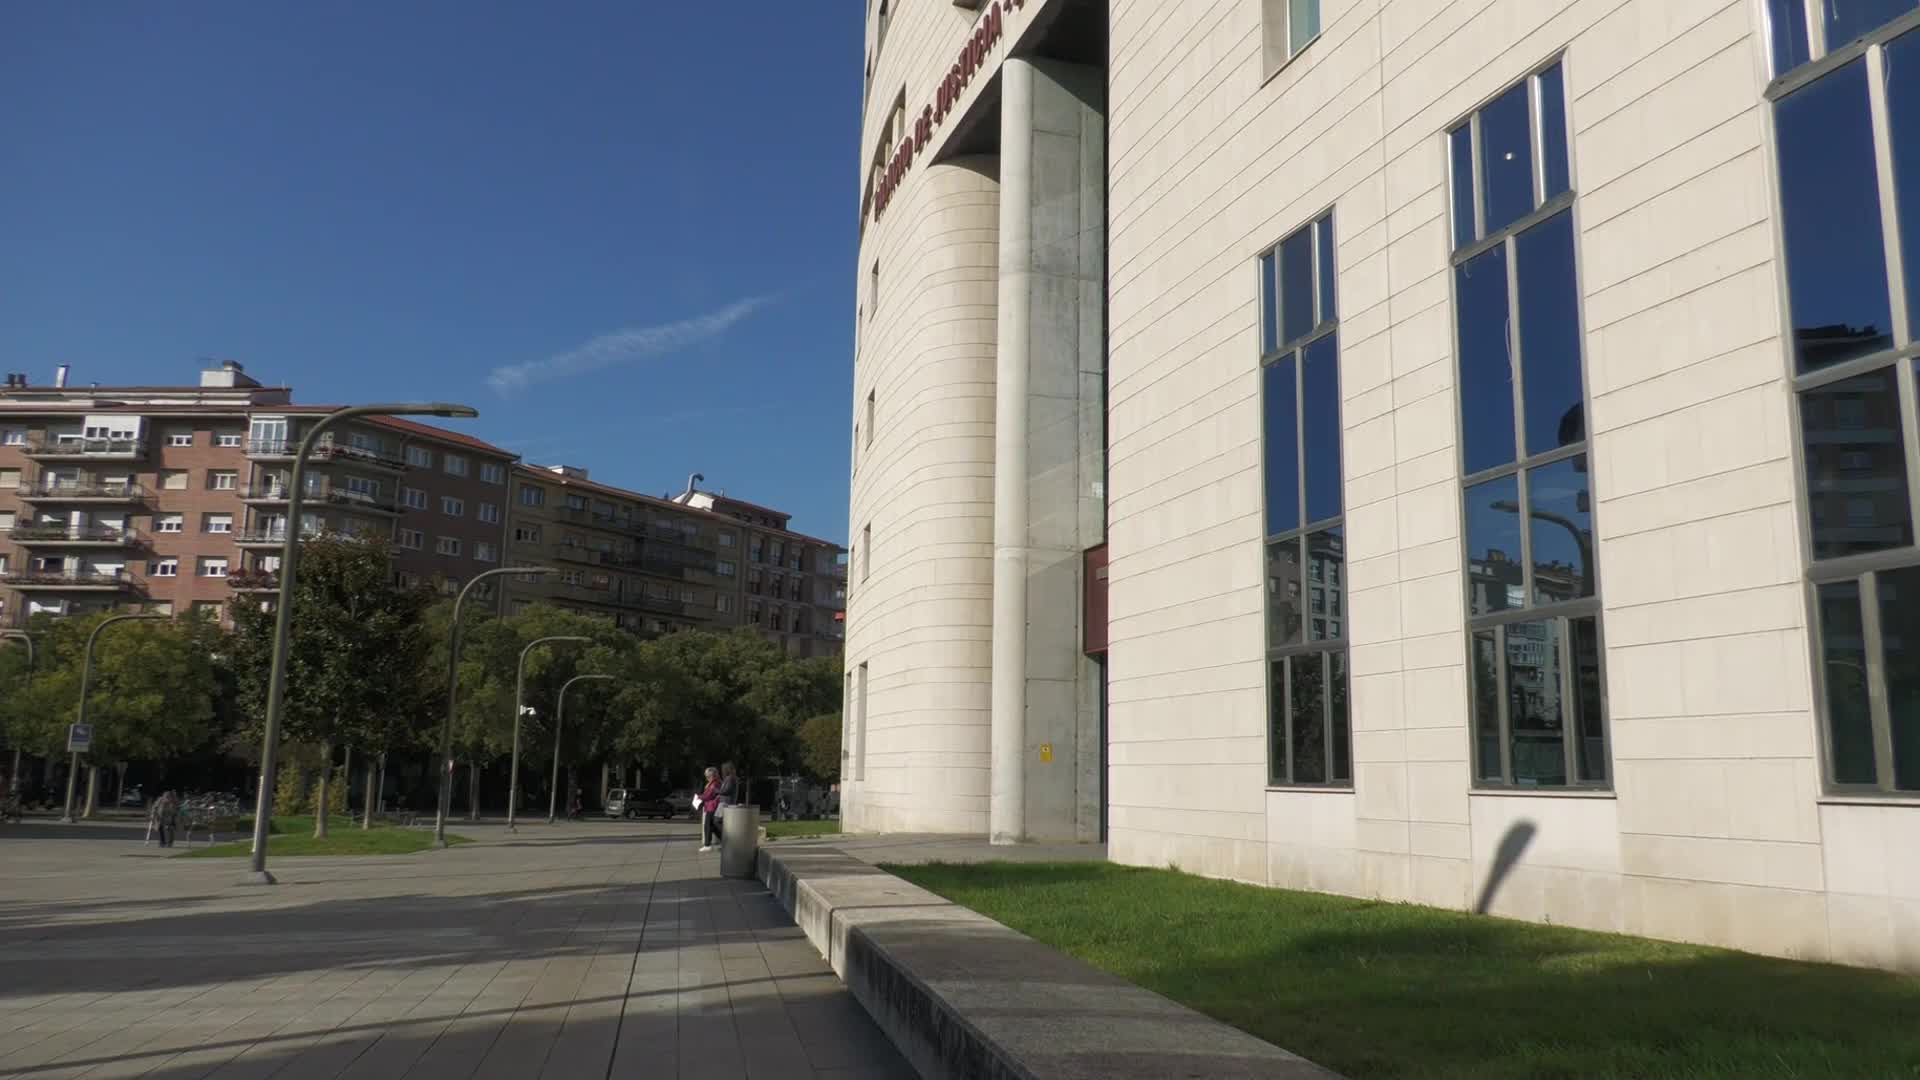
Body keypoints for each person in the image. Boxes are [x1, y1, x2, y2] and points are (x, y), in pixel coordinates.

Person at [697, 767, 722, 853]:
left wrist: (698, 797)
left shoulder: (714, 784)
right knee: (713, 826)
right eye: (706, 776)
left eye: (708, 776)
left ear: (713, 775)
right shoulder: (715, 783)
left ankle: (707, 845)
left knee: (708, 826)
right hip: (712, 806)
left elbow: (708, 796)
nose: (707, 778)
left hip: (712, 806)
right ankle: (725, 841)